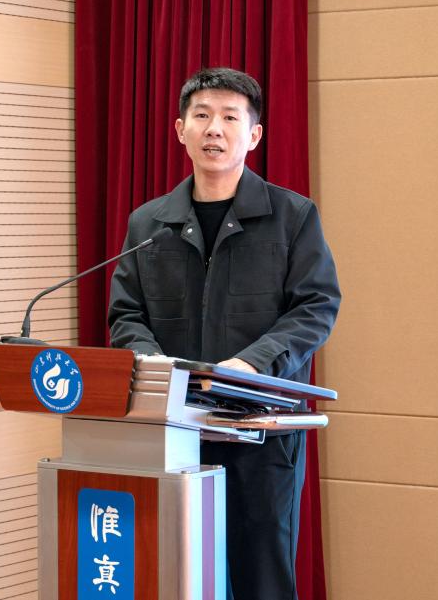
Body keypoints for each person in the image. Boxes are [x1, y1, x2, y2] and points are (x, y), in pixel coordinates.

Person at [108, 67, 341, 600]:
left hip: (260, 430)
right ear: (180, 129)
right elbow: (126, 313)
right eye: (202, 115)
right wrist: (154, 366)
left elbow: (315, 306)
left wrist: (253, 364)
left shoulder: (292, 217)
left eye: (230, 118)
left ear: (253, 135)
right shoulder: (148, 224)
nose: (214, 128)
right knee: (174, 571)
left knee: (262, 578)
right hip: (173, 429)